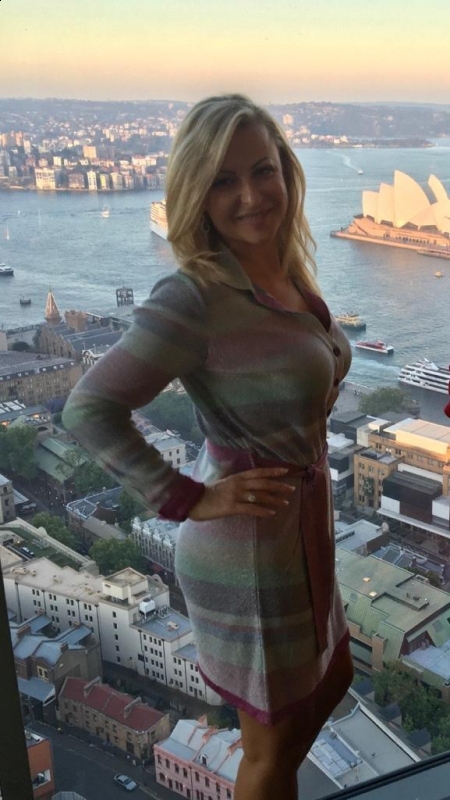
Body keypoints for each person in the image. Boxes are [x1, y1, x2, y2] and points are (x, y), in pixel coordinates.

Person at [62, 93, 354, 800]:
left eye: (263, 170)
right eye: (224, 180)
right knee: (270, 753)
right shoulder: (192, 295)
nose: (251, 195)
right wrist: (189, 497)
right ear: (196, 192)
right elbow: (89, 408)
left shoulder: (283, 268)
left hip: (301, 527)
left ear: (286, 170)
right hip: (248, 551)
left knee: (334, 677)